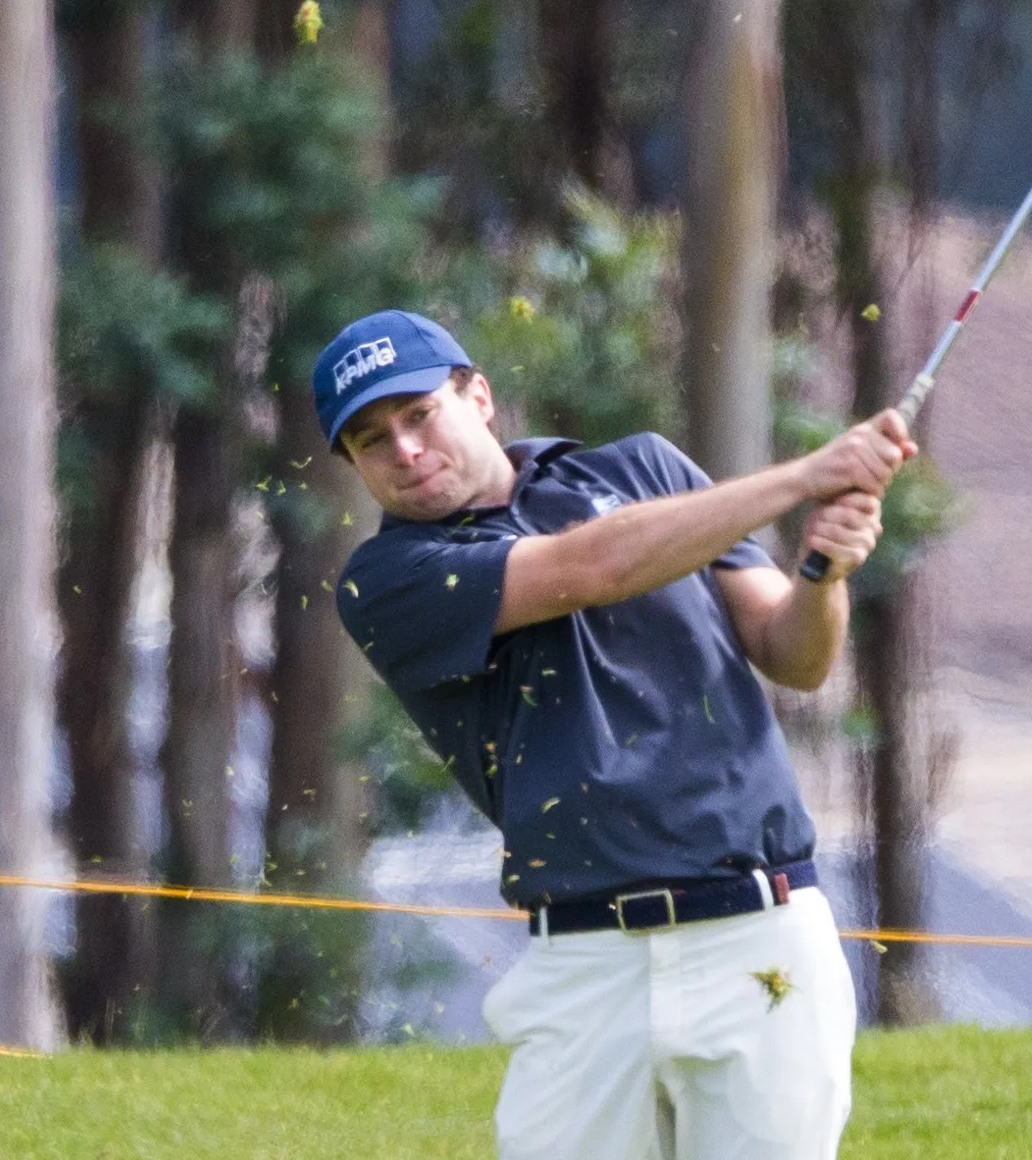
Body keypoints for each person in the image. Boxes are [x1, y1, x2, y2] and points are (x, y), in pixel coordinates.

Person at [316, 308, 915, 1160]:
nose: (406, 450)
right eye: (372, 440)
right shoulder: (388, 581)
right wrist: (807, 475)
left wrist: (824, 573)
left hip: (760, 936)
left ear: (477, 395)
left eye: (419, 414)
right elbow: (592, 567)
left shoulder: (644, 466)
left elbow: (793, 653)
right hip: (584, 961)